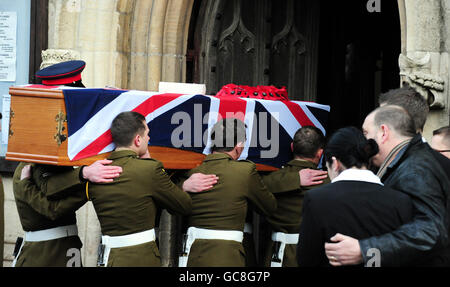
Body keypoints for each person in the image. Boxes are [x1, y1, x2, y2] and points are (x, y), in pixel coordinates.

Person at [325, 105, 450, 266]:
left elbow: (429, 232)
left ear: (383, 132)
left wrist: (364, 250)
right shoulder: (411, 161)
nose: (363, 142)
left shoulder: (415, 169)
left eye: (366, 134)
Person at [87, 111, 217, 267]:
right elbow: (184, 206)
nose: (149, 138)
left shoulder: (94, 172)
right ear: (137, 140)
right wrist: (183, 186)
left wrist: (82, 173)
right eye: (147, 134)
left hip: (109, 259)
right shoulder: (150, 170)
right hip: (142, 258)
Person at [297, 127, 413, 266]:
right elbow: (404, 255)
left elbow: (307, 259)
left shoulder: (316, 199)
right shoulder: (401, 201)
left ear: (334, 163)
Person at [178, 118, 277, 267]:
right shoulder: (245, 172)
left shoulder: (191, 171)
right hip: (228, 255)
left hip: (193, 254)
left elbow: (172, 197)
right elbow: (269, 207)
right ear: (238, 147)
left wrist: (182, 186)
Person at [12, 160, 121, 267]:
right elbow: (52, 209)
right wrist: (87, 185)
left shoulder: (53, 165)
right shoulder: (29, 169)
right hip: (45, 252)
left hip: (65, 249)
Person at [261, 126, 330, 267]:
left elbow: (259, 187)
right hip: (313, 256)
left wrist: (293, 179)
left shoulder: (272, 180)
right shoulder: (328, 182)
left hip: (277, 255)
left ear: (292, 147)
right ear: (320, 153)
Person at [378, 86, 450, 181]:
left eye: (383, 118)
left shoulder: (432, 168)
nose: (377, 125)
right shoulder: (381, 160)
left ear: (402, 119)